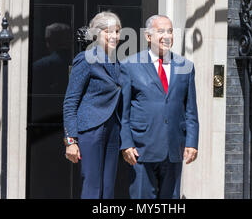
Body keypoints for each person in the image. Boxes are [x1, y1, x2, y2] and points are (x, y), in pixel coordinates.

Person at [119, 15, 199, 199]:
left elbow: (191, 110)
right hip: (141, 149)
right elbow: (123, 111)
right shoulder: (129, 66)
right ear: (148, 36)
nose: (167, 36)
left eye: (170, 31)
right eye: (161, 31)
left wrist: (192, 142)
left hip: (174, 149)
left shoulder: (185, 66)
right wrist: (126, 143)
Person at [63, 11, 122, 199]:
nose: (114, 36)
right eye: (108, 31)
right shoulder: (86, 59)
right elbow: (70, 101)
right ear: (97, 34)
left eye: (118, 31)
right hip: (91, 130)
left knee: (108, 188)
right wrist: (71, 140)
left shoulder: (118, 61)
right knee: (93, 186)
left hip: (113, 129)